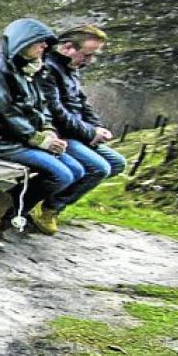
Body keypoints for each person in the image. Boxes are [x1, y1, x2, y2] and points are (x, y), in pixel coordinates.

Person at [0, 17, 82, 235]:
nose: (45, 46)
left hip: (19, 139)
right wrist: (39, 140)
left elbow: (42, 107)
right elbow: (2, 116)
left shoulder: (27, 71)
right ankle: (7, 206)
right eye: (40, 41)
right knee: (63, 175)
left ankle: (8, 207)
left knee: (76, 170)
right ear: (23, 42)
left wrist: (48, 129)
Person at [35, 23, 127, 227]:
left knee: (118, 163)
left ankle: (48, 201)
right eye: (87, 55)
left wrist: (97, 128)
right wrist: (90, 132)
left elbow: (82, 103)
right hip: (60, 134)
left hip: (77, 132)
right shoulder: (48, 69)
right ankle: (50, 207)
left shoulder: (71, 68)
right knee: (99, 168)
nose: (90, 61)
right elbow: (56, 113)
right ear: (68, 47)